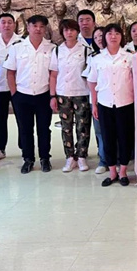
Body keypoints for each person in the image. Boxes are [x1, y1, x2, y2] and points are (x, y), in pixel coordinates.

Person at [4, 15, 57, 174]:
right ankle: (28, 159)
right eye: (35, 26)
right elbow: (10, 73)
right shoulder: (17, 47)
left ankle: (45, 158)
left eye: (42, 26)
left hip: (43, 94)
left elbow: (53, 74)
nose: (38, 29)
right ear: (28, 27)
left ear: (45, 29)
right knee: (25, 129)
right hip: (22, 95)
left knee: (44, 129)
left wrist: (52, 96)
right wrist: (14, 94)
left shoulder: (52, 48)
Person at [87, 24, 135, 187]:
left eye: (117, 33)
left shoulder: (130, 57)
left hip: (125, 103)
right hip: (104, 103)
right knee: (107, 138)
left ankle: (123, 172)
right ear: (104, 37)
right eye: (109, 33)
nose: (113, 36)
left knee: (125, 138)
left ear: (122, 36)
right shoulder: (97, 58)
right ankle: (112, 171)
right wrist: (94, 104)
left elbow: (136, 80)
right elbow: (92, 81)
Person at [49, 19, 92, 173]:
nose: (69, 33)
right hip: (63, 93)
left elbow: (90, 74)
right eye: (66, 30)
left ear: (77, 31)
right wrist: (52, 96)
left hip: (81, 93)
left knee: (83, 127)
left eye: (72, 30)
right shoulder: (57, 50)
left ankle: (81, 156)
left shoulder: (86, 50)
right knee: (66, 127)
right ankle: (69, 157)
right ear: (62, 32)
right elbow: (53, 75)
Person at [0, 13, 22, 163]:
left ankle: (25, 147)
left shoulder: (21, 42)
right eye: (3, 22)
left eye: (10, 22)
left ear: (14, 25)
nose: (6, 25)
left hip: (18, 86)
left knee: (22, 118)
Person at [84, 27, 108, 174]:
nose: (99, 39)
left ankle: (118, 159)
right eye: (96, 37)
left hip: (116, 99)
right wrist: (94, 102)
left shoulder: (123, 54)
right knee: (100, 132)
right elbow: (90, 79)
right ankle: (104, 160)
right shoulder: (93, 57)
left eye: (101, 35)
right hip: (97, 99)